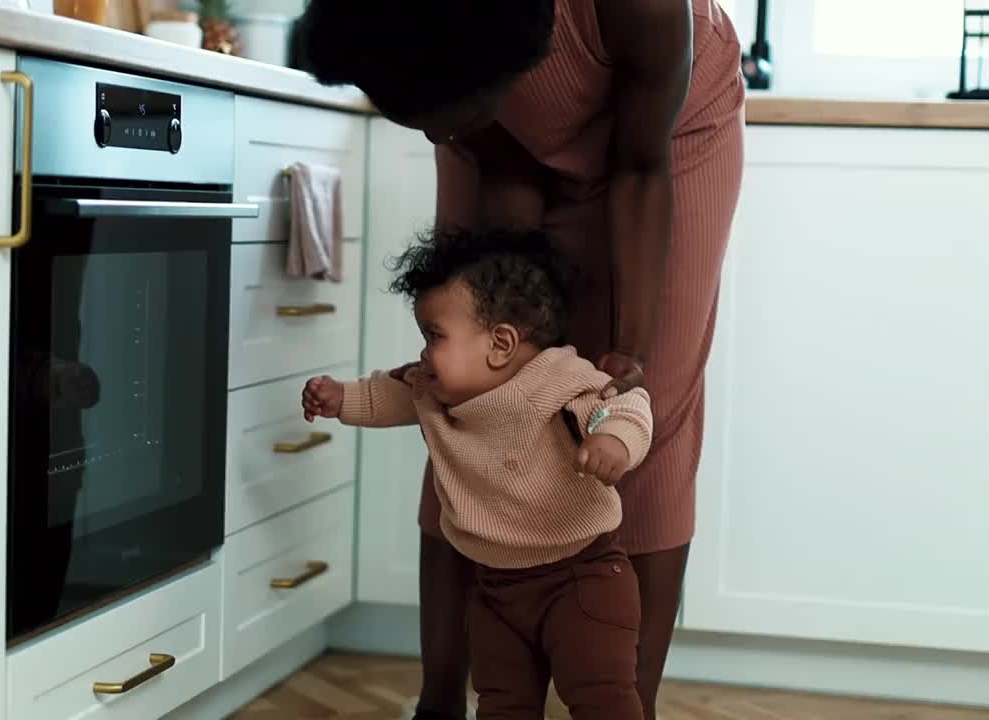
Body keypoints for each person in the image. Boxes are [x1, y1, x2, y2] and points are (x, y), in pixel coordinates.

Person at [292, 2, 746, 718]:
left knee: (645, 409)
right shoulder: (450, 88)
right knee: (465, 389)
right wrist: (499, 347)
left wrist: (627, 349)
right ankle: (439, 704)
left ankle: (629, 707)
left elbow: (639, 165)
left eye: (434, 116)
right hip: (489, 116)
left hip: (667, 142)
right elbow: (499, 176)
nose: (432, 134)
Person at [302, 227, 654, 720]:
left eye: (434, 336)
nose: (423, 353)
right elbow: (389, 394)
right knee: (502, 703)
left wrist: (614, 440)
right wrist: (341, 398)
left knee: (602, 698)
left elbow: (622, 405)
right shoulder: (432, 389)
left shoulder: (559, 380)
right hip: (495, 590)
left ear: (501, 343)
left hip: (583, 578)